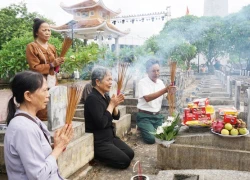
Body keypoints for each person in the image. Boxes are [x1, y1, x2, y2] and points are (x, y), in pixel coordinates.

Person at [4, 71, 73, 180]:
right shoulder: (23, 128)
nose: (48, 94)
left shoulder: (33, 120)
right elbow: (38, 176)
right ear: (28, 95)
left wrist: (56, 145)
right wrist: (58, 149)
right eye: (45, 90)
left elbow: (36, 153)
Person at [84, 67, 134, 169]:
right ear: (97, 82)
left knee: (130, 154)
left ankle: (109, 154)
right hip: (100, 141)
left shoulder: (105, 96)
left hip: (110, 137)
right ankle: (99, 157)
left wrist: (115, 105)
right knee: (125, 162)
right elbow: (101, 123)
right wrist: (111, 105)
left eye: (111, 79)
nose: (111, 82)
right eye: (108, 80)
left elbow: (116, 116)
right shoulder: (92, 99)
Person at [26, 18, 64, 120]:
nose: (47, 32)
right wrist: (52, 65)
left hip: (52, 81)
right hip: (39, 82)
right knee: (42, 107)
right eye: (44, 30)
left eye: (49, 30)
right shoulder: (31, 47)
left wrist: (58, 64)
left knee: (54, 105)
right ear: (36, 32)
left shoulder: (52, 47)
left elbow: (55, 68)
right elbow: (34, 68)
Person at [136, 59, 171, 144]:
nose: (156, 73)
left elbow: (168, 98)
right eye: (153, 71)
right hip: (145, 116)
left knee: (167, 135)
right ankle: (142, 126)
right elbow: (147, 98)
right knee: (151, 139)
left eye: (158, 70)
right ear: (147, 71)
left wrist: (171, 92)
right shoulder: (142, 82)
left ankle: (149, 128)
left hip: (157, 116)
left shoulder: (160, 83)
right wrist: (165, 90)